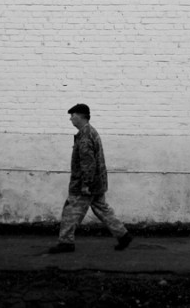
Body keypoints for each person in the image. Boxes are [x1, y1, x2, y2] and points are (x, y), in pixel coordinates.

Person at [48, 103, 133, 254]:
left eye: (72, 115)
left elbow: (88, 162)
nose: (70, 119)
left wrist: (86, 184)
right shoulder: (90, 132)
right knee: (102, 209)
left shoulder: (85, 136)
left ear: (80, 116)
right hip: (97, 182)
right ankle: (123, 235)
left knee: (70, 210)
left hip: (85, 184)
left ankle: (66, 242)